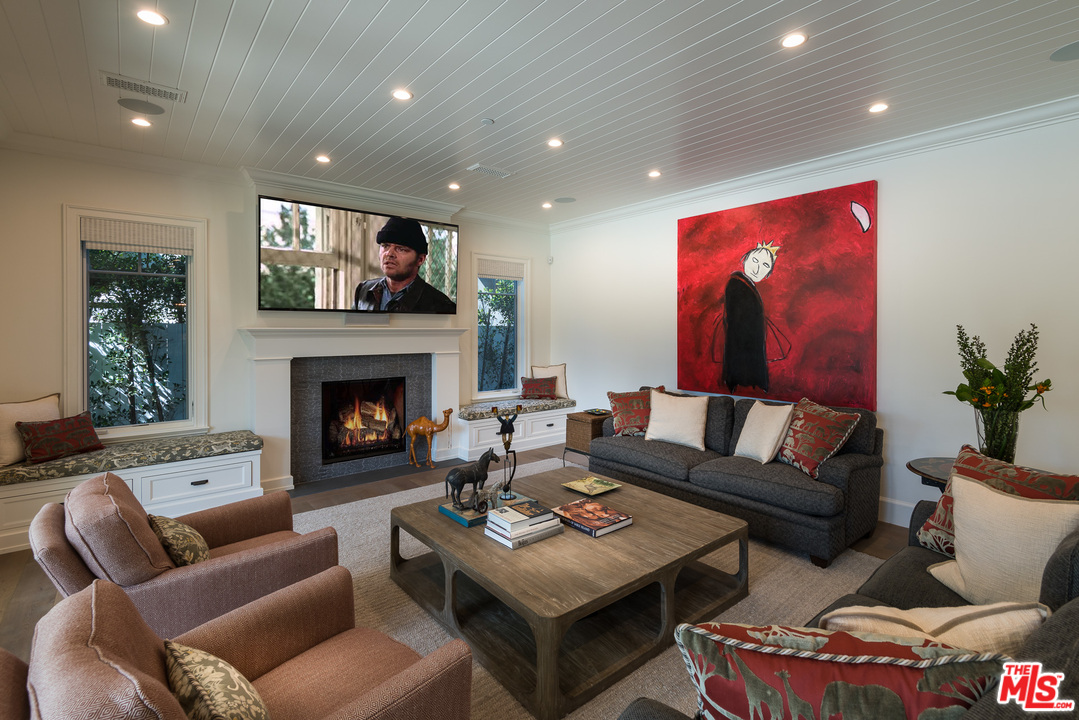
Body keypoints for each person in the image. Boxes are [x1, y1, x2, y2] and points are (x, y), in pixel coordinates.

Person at [711, 241, 790, 393]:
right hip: (742, 347)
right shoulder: (736, 283)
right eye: (755, 260)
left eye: (765, 265)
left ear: (768, 273)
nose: (757, 268)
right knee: (744, 380)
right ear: (745, 259)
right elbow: (736, 320)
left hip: (749, 346)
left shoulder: (747, 285)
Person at [352, 217, 456, 313]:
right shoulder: (364, 290)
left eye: (401, 249)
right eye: (385, 246)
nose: (389, 253)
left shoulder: (441, 306)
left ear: (420, 259)